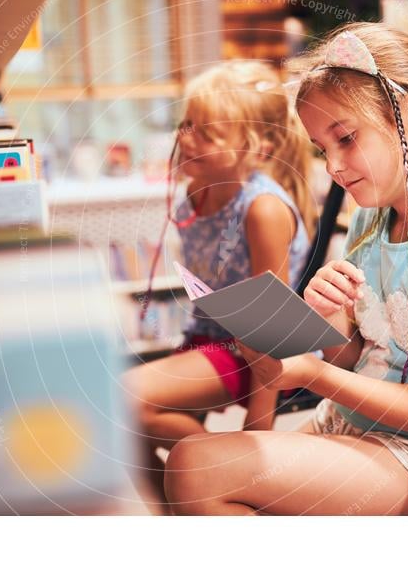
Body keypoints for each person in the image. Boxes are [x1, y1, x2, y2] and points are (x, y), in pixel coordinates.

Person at [163, 22, 408, 516]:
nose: (332, 166)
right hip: (350, 424)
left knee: (195, 468)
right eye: (322, 149)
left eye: (346, 139)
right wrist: (328, 315)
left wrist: (313, 375)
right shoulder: (372, 216)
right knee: (205, 469)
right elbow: (352, 355)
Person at [121, 60, 315, 512]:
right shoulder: (196, 194)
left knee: (122, 400)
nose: (186, 138)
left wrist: (259, 426)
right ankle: (185, 506)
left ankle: (228, 466)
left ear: (258, 149)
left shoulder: (263, 209)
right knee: (125, 425)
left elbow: (272, 327)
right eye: (187, 124)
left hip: (260, 355)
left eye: (206, 134)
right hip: (210, 340)